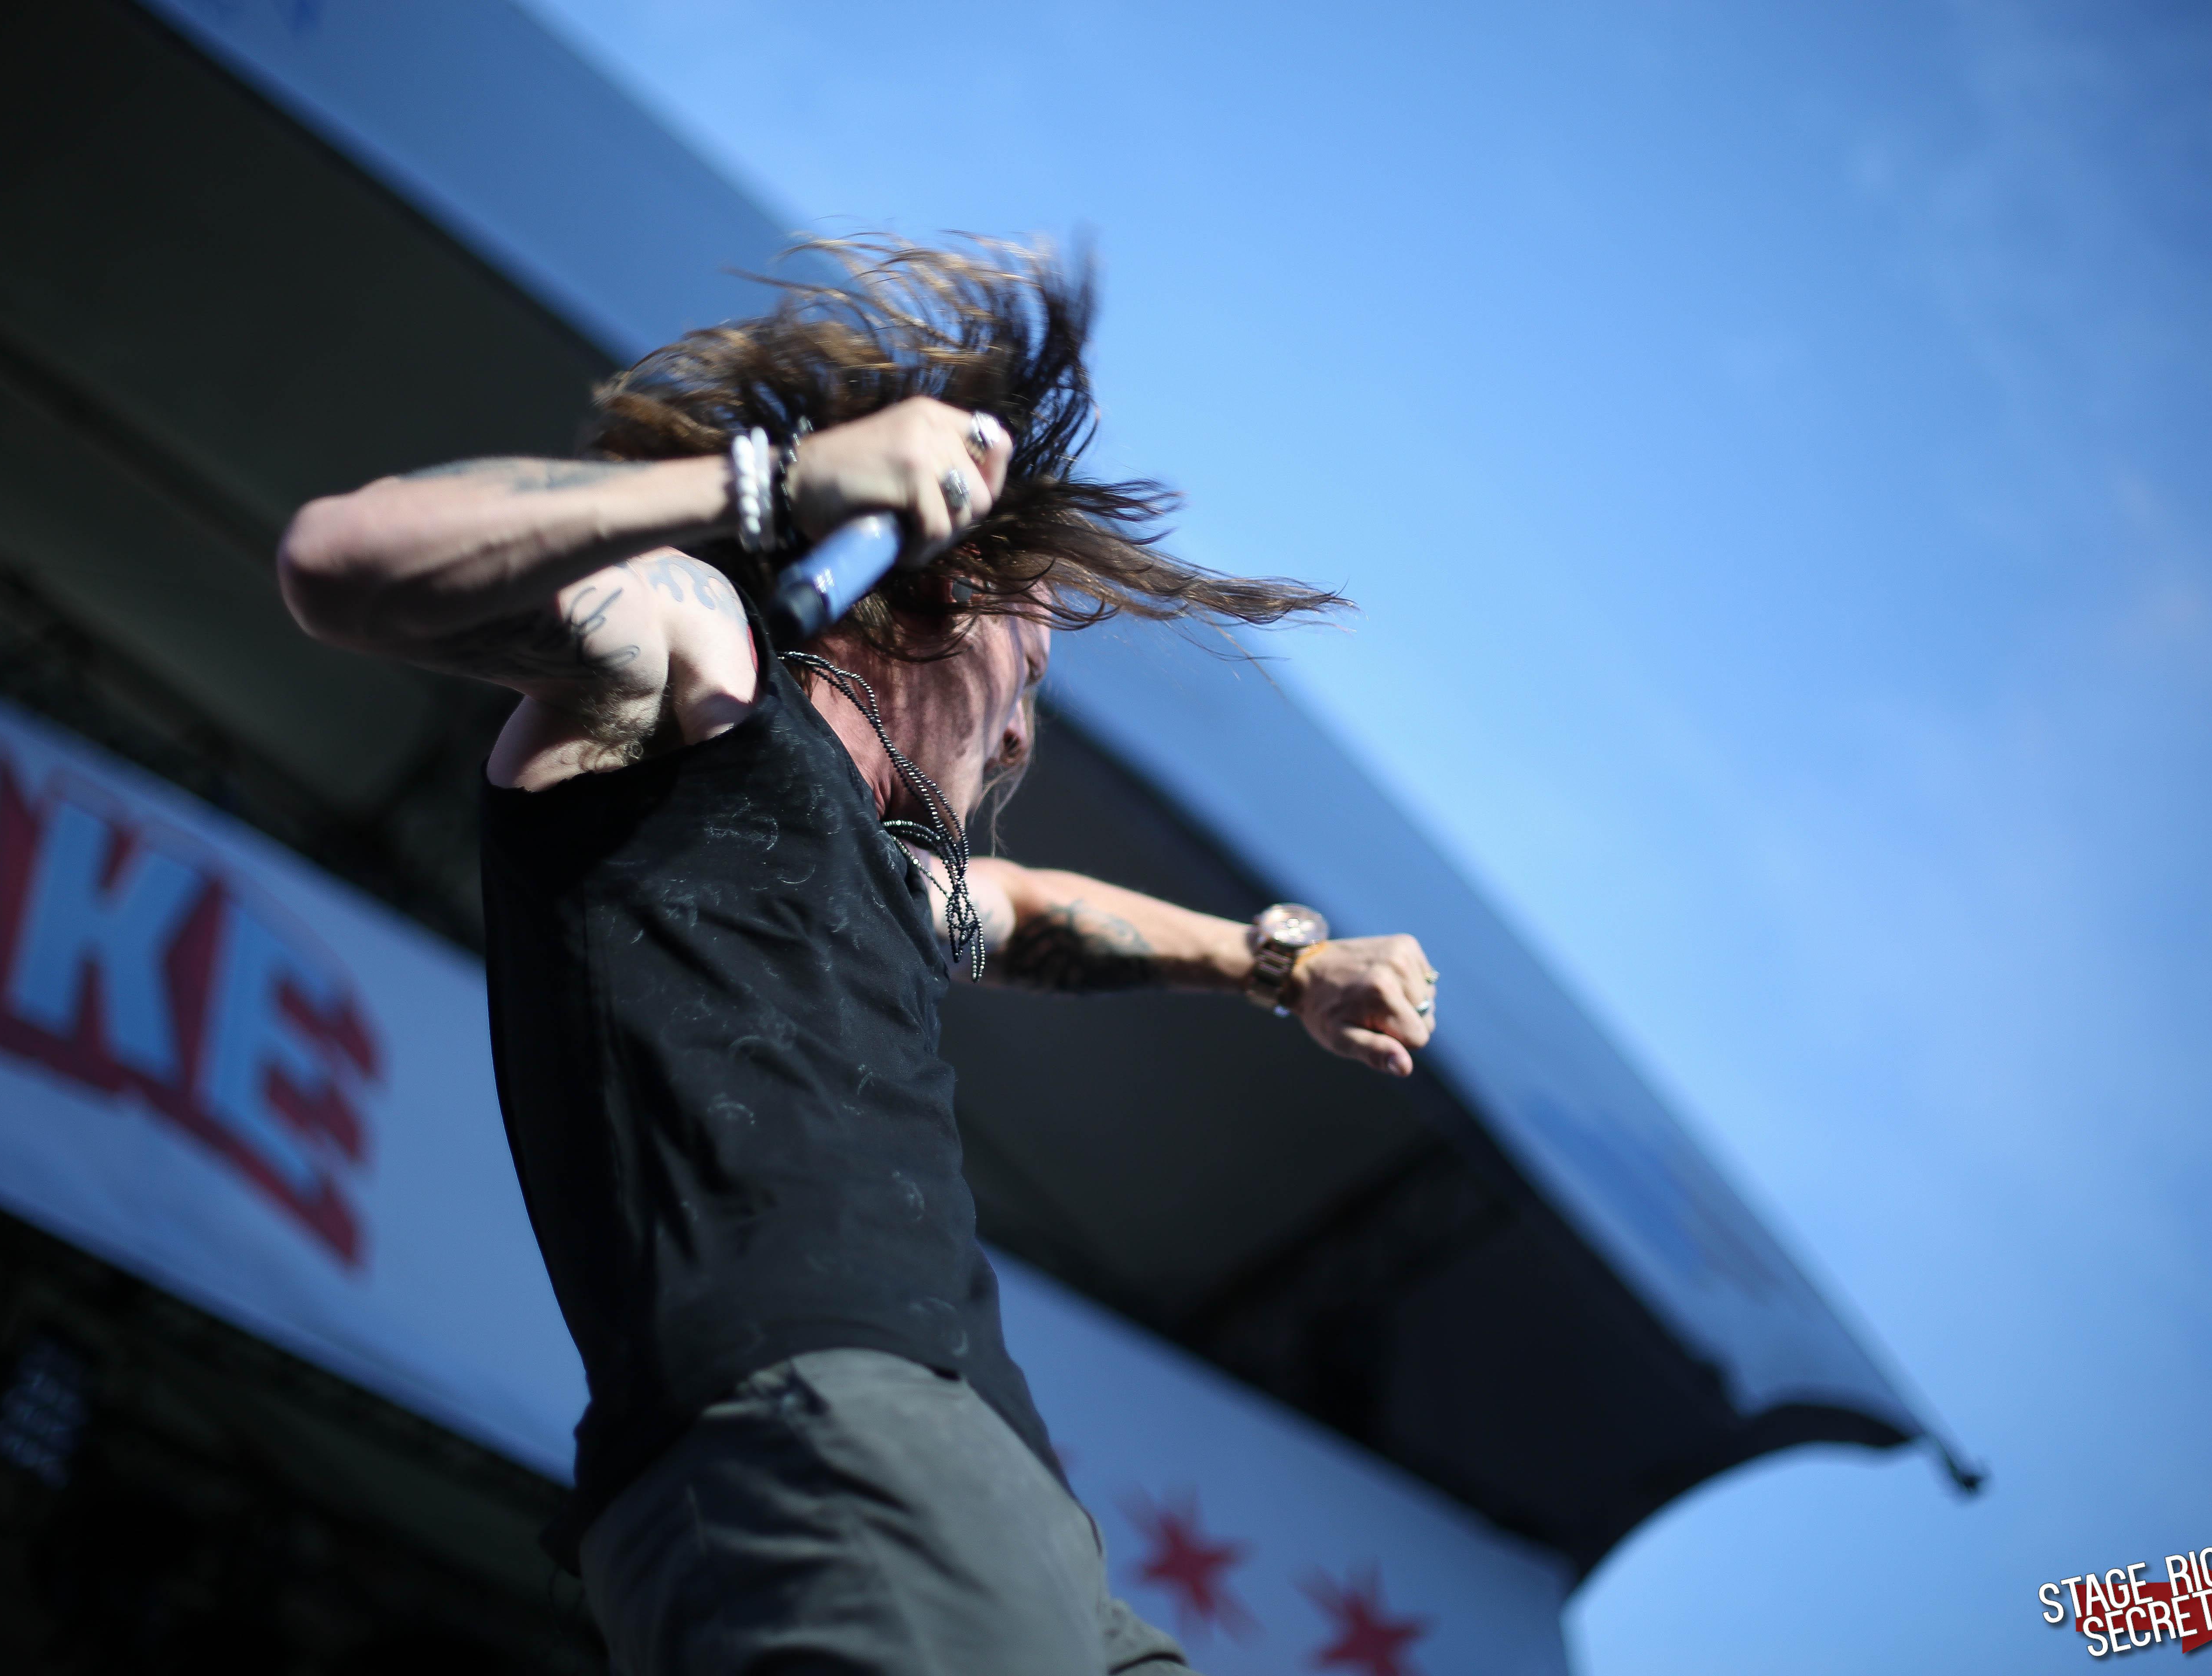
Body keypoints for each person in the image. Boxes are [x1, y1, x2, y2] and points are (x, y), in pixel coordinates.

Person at [277, 240, 1440, 1676]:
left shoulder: (881, 875)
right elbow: (341, 562)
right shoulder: (706, 673)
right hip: (821, 1423)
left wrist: (1281, 967)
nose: (1019, 735)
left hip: (1002, 1490)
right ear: (942, 590)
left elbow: (1028, 912)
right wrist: (770, 488)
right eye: (1032, 669)